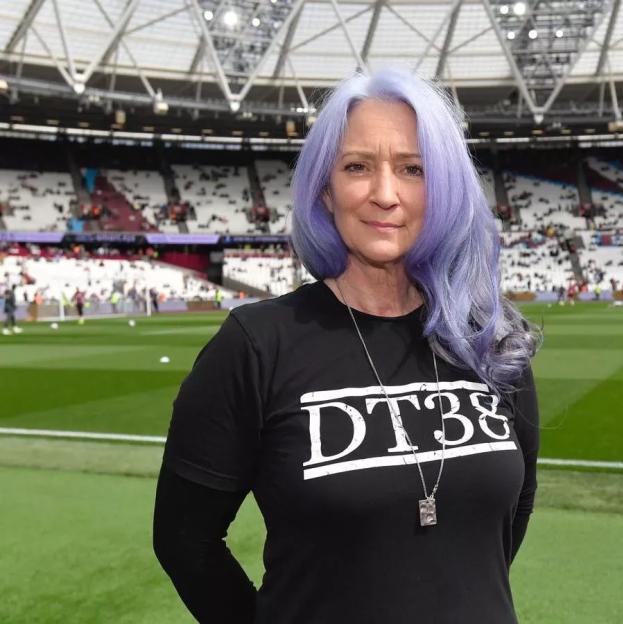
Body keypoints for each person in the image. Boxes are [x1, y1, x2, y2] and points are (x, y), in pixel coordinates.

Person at [153, 69, 541, 624]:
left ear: (447, 187)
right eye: (357, 166)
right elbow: (184, 541)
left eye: (414, 168)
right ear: (325, 189)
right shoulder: (256, 345)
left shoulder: (491, 341)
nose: (386, 194)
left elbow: (513, 513)